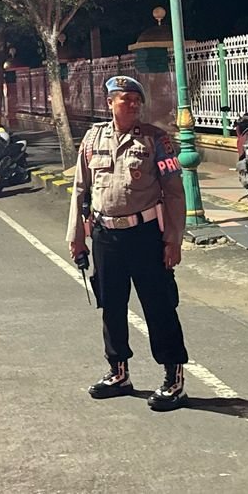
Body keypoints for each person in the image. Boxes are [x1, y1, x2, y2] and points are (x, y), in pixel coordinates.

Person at [67, 76, 190, 411]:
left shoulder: (156, 140)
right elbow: (80, 190)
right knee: (111, 306)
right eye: (126, 99)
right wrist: (76, 237)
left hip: (145, 235)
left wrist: (173, 239)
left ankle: (174, 379)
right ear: (110, 102)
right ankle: (118, 372)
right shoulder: (92, 139)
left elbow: (174, 193)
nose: (134, 104)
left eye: (138, 99)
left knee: (159, 306)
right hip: (105, 236)